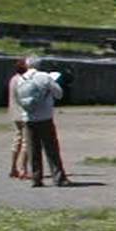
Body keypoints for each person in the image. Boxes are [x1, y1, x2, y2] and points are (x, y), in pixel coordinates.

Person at [16, 57, 70, 187]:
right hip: (45, 117)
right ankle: (58, 178)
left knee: (32, 150)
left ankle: (36, 178)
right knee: (51, 149)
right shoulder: (45, 77)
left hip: (28, 118)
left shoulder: (21, 79)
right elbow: (59, 93)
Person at [7, 58, 30, 179]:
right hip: (23, 114)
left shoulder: (13, 79)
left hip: (15, 113)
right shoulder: (23, 80)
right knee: (26, 143)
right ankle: (23, 169)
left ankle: (13, 168)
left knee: (17, 141)